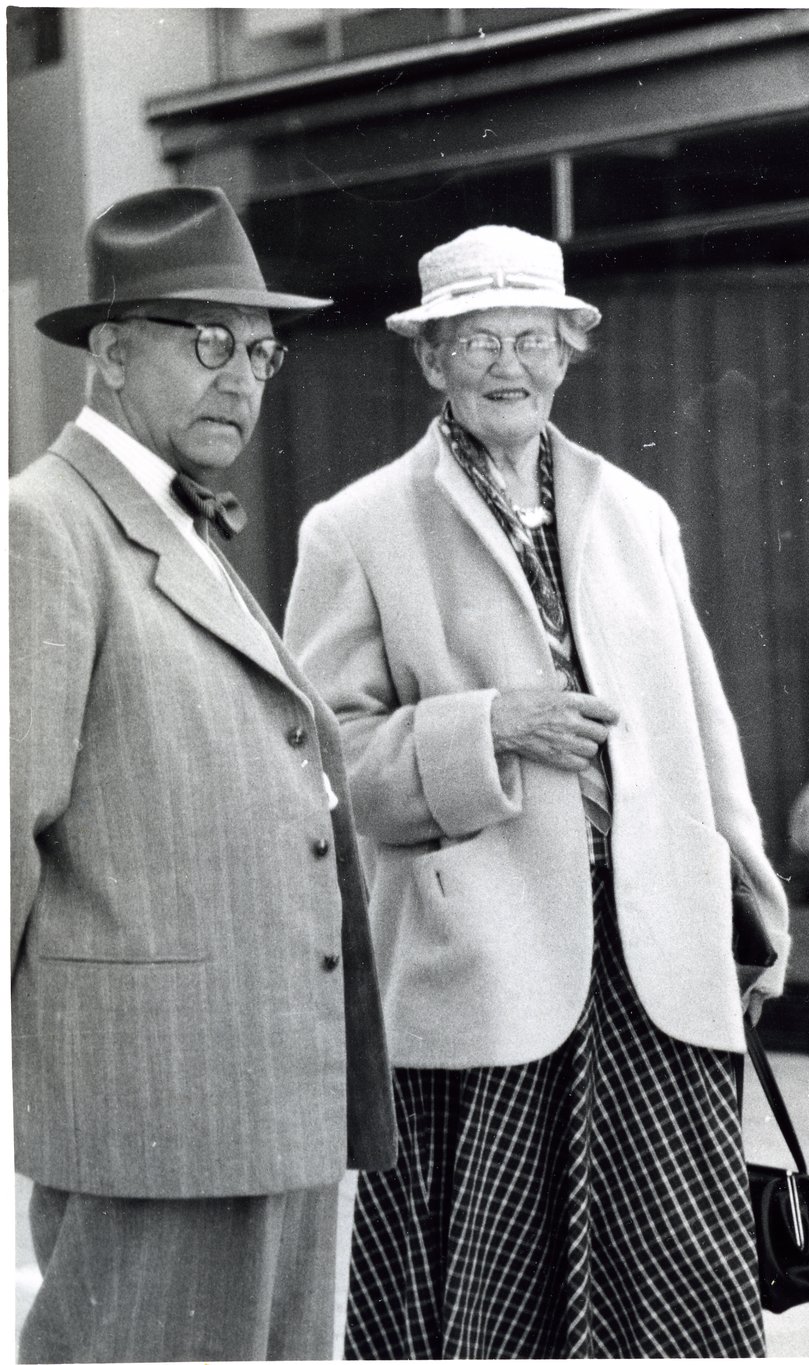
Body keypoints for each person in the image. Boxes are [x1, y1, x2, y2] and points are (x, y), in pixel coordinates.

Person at [283, 224, 790, 1359]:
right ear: (431, 360)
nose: (508, 364)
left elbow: (703, 732)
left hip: (655, 949)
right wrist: (488, 729)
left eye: (530, 338)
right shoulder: (357, 527)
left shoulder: (634, 512)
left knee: (681, 1267)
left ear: (568, 354)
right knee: (490, 1283)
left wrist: (748, 900)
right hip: (486, 960)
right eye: (477, 342)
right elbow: (323, 762)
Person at [10, 185, 396, 1362]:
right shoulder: (47, 526)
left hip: (264, 1091)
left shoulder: (180, 525)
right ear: (113, 355)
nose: (243, 378)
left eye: (262, 349)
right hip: (158, 1105)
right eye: (209, 341)